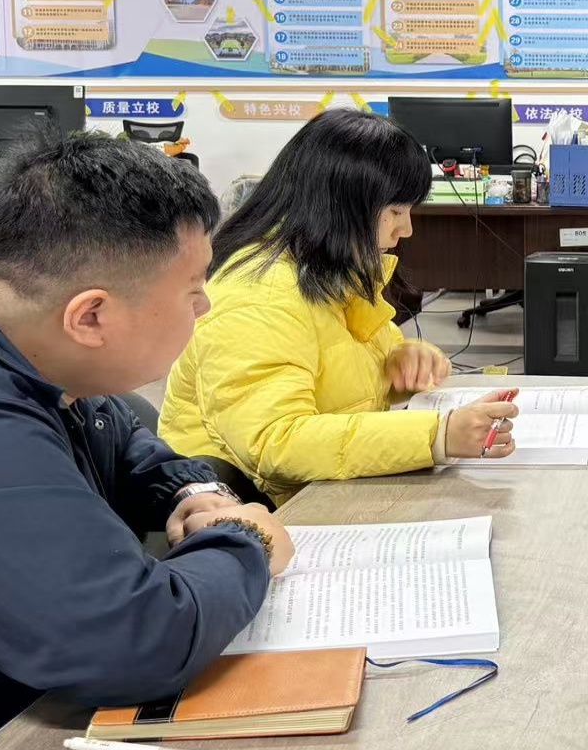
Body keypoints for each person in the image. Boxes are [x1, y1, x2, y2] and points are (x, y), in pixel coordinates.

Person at [0, 130, 294, 750]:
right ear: (90, 317)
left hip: (5, 703)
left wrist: (195, 493)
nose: (205, 307)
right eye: (193, 289)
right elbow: (138, 640)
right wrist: (245, 540)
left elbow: (121, 434)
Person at [161, 109, 519, 504]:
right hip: (259, 509)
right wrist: (436, 436)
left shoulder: (328, 269)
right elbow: (277, 442)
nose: (406, 229)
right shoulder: (258, 297)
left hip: (321, 489)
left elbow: (349, 372)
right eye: (395, 212)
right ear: (341, 205)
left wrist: (404, 362)